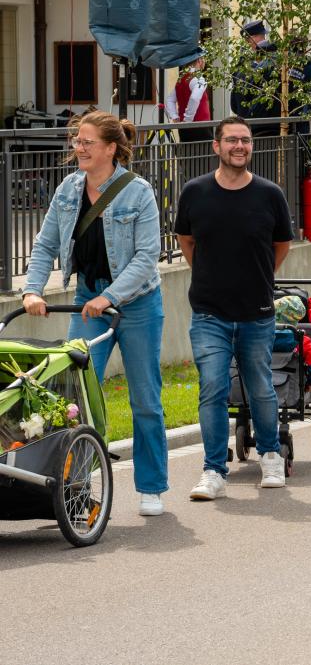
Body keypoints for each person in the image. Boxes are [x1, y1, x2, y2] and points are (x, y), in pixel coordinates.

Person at [22, 110, 168, 517]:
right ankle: (76, 489)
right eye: (77, 141)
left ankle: (151, 487)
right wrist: (33, 288)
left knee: (145, 398)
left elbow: (146, 257)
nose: (79, 148)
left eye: (87, 142)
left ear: (110, 148)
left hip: (137, 304)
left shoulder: (138, 192)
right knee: (76, 397)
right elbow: (45, 243)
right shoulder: (68, 189)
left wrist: (110, 297)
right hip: (88, 299)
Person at [175, 116, 294, 499]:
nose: (239, 146)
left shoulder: (270, 194)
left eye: (245, 140)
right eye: (231, 140)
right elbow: (186, 240)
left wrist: (259, 277)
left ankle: (270, 456)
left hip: (257, 312)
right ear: (217, 146)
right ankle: (213, 471)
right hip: (209, 313)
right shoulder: (195, 192)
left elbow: (281, 245)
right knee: (213, 387)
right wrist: (209, 274)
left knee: (260, 388)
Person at [167, 55, 211, 142]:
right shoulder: (199, 78)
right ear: (199, 60)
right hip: (200, 127)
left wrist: (174, 116)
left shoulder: (180, 79)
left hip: (184, 128)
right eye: (204, 58)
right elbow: (194, 98)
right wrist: (188, 119)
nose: (205, 62)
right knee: (206, 150)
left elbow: (170, 100)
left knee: (187, 150)